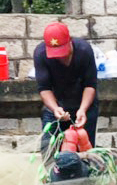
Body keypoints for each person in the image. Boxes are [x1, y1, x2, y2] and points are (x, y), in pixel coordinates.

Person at [33, 23, 99, 155]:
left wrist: (83, 109)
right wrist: (55, 108)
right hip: (56, 106)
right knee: (50, 151)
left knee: (84, 153)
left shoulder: (84, 50)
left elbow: (90, 85)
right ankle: (53, 175)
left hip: (83, 105)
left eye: (62, 52)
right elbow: (44, 88)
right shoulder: (41, 54)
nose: (59, 56)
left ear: (70, 41)